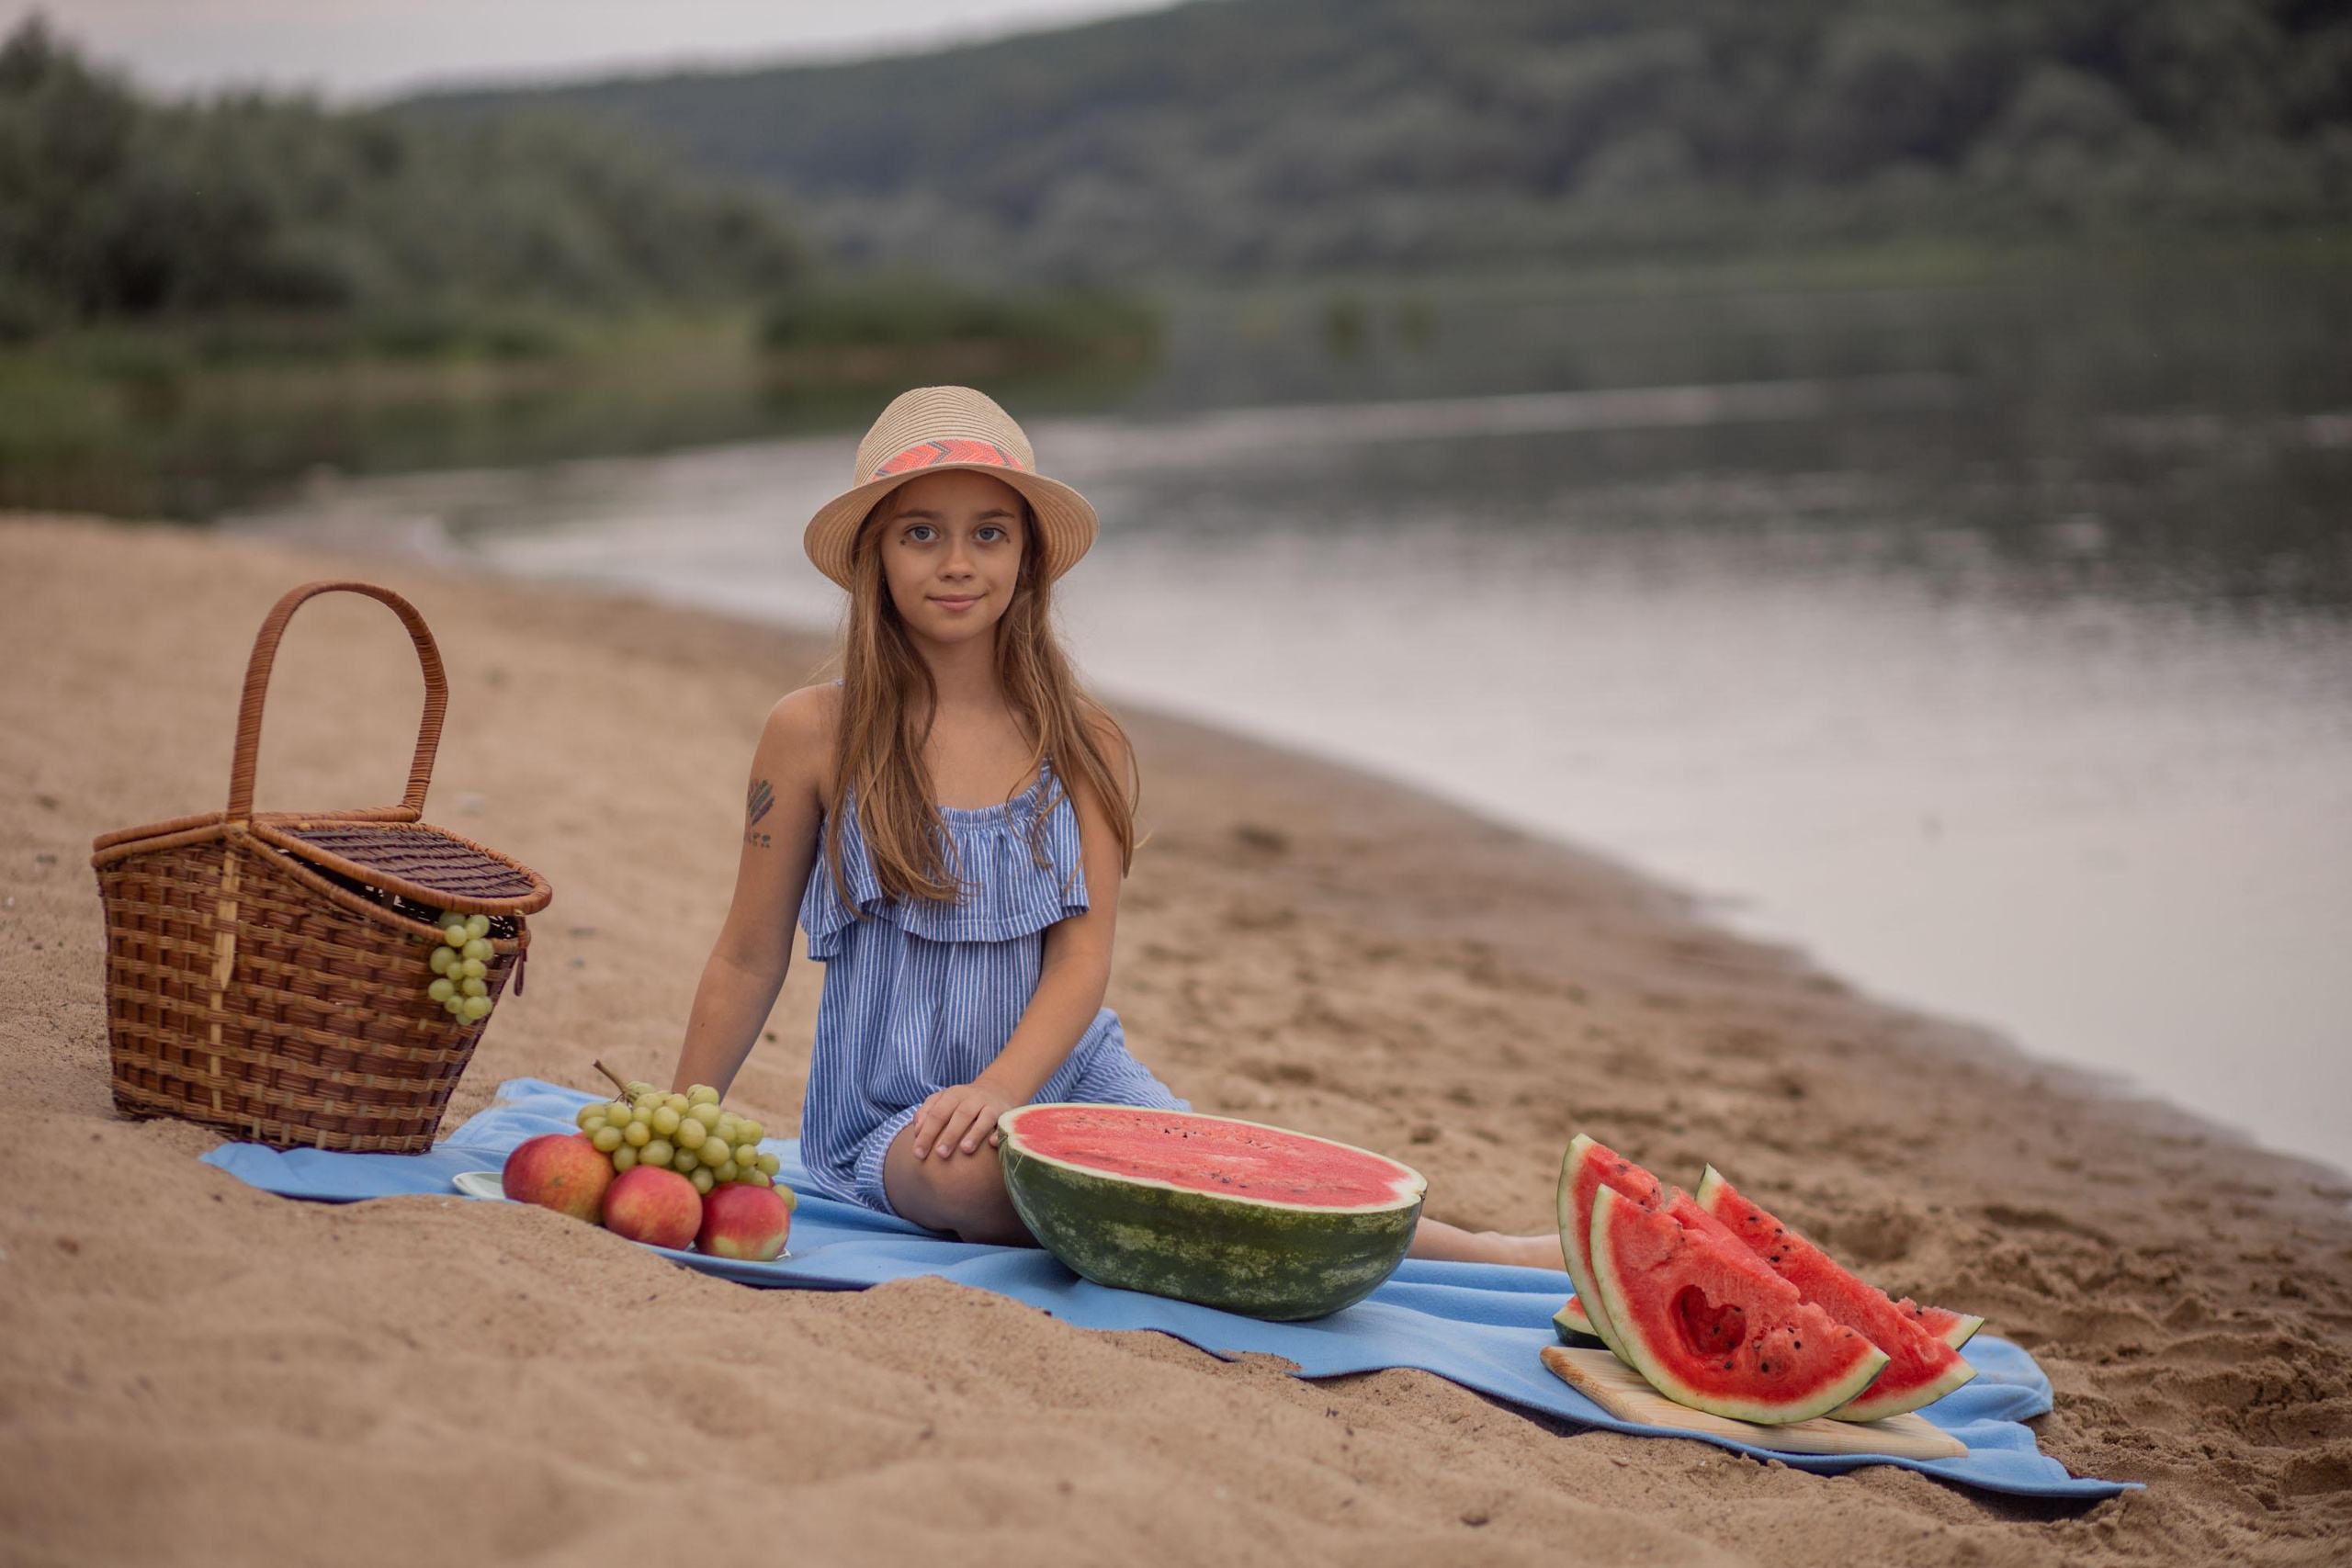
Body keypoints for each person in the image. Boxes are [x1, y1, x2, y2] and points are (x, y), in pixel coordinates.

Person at [671, 385, 1558, 1267]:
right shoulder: (813, 732)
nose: (956, 561)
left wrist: (1004, 1086)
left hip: (1071, 1076)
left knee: (1224, 1166)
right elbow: (750, 954)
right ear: (875, 556)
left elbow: (1082, 959)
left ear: (1028, 557)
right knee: (968, 1179)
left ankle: (1490, 1253)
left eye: (989, 532)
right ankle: (1156, 1227)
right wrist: (680, 1126)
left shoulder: (1081, 738)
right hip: (899, 1113)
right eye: (920, 532)